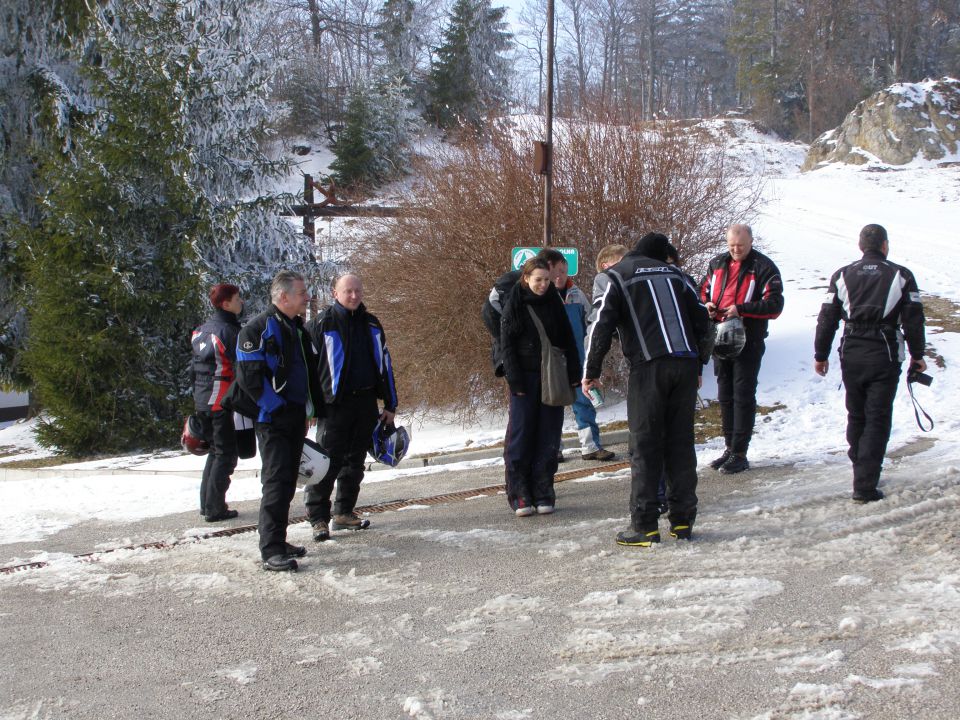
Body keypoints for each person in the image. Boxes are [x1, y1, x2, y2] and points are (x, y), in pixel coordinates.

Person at [583, 232, 712, 546]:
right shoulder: (678, 275)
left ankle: (645, 526)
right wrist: (699, 364)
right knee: (680, 444)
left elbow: (600, 324)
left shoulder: (616, 275)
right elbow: (703, 319)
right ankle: (683, 523)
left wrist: (590, 372)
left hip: (649, 366)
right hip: (684, 365)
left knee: (644, 446)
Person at [814, 224, 927, 503]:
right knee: (877, 417)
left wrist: (821, 354)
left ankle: (861, 467)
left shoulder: (842, 275)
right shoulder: (901, 275)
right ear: (885, 246)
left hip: (851, 352)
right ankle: (865, 482)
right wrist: (918, 354)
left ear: (860, 245)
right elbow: (914, 320)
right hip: (884, 353)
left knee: (856, 414)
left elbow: (827, 318)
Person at [227, 271, 323, 572]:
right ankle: (270, 549)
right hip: (273, 419)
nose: (306, 297)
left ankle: (279, 540)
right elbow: (250, 379)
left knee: (287, 482)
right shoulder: (257, 329)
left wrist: (310, 408)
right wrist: (277, 409)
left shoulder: (296, 327)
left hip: (295, 415)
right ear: (283, 297)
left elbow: (307, 372)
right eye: (301, 292)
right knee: (275, 482)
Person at [303, 273, 399, 541]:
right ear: (335, 293)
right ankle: (318, 518)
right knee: (326, 463)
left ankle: (344, 513)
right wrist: (308, 407)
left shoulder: (372, 323)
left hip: (366, 402)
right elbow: (306, 371)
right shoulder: (321, 324)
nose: (354, 296)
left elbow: (386, 365)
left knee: (355, 463)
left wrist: (391, 402)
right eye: (348, 291)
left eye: (358, 290)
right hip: (333, 406)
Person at [700, 224, 784, 475]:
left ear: (751, 242)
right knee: (725, 395)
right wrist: (708, 304)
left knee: (743, 394)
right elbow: (702, 290)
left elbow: (775, 305)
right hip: (720, 337)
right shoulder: (717, 264)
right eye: (732, 245)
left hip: (749, 339)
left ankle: (740, 452)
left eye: (741, 246)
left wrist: (741, 308)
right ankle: (729, 447)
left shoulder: (764, 267)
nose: (736, 250)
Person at [500, 258, 581, 516]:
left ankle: (544, 489)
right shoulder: (515, 302)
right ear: (526, 278)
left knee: (549, 435)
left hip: (553, 378)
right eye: (539, 279)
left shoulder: (554, 302)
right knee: (521, 436)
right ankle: (519, 493)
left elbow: (567, 338)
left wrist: (574, 373)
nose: (544, 284)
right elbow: (507, 344)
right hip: (524, 378)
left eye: (547, 279)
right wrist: (514, 379)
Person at [190, 283, 243, 522]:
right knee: (225, 455)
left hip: (202, 399)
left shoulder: (200, 330)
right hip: (220, 400)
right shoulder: (228, 332)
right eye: (237, 298)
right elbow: (241, 366)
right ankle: (215, 508)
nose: (241, 302)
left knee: (215, 452)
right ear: (226, 303)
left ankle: (207, 504)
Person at [554, 257, 615, 461]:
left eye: (563, 271)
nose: (559, 276)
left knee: (584, 403)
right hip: (553, 360)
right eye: (555, 271)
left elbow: (591, 322)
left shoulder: (577, 295)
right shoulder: (542, 295)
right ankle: (553, 449)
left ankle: (591, 446)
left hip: (579, 357)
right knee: (552, 407)